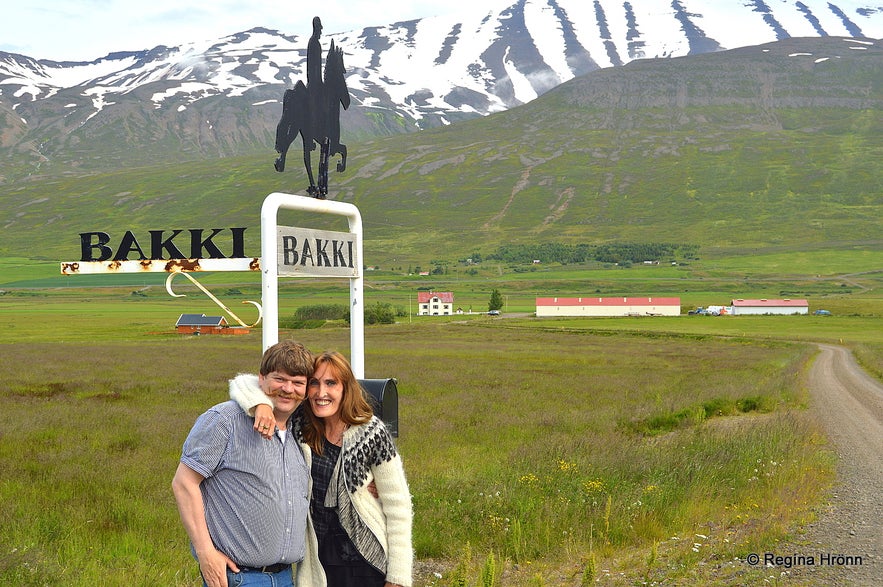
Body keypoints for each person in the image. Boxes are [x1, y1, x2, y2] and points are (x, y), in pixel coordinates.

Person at [232, 350, 413, 587]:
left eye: (331, 383)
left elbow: (398, 507)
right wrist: (261, 405)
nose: (321, 393)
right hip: (317, 561)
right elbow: (243, 383)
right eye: (314, 383)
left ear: (346, 388)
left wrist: (397, 577)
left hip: (368, 561)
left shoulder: (371, 432)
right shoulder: (300, 426)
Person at [172, 340, 325, 587]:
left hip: (287, 577)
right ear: (261, 378)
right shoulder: (225, 421)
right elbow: (184, 483)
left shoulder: (302, 430)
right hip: (239, 577)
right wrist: (205, 553)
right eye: (280, 379)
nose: (288, 389)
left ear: (306, 390)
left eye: (298, 383)